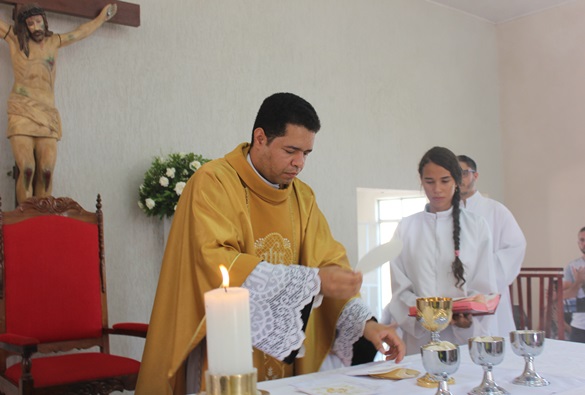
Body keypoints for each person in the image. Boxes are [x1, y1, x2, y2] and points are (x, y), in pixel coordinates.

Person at [136, 92, 405, 394]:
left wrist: (368, 325)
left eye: (307, 153)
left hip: (285, 365)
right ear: (260, 138)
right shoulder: (212, 183)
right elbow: (211, 260)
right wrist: (312, 280)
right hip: (223, 355)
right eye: (291, 150)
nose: (300, 163)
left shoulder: (302, 197)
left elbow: (328, 264)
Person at [0, 3, 117, 204]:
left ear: (44, 22)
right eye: (30, 23)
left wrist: (100, 19)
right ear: (24, 26)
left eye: (38, 22)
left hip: (47, 114)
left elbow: (79, 32)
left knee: (46, 171)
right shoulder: (15, 40)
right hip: (21, 109)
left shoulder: (54, 42)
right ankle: (26, 218)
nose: (35, 27)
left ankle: (43, 218)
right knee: (27, 169)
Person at [388, 146, 498, 355]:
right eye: (429, 181)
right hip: (419, 340)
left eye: (444, 181)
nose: (437, 189)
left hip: (464, 340)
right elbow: (400, 290)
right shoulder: (406, 228)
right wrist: (429, 315)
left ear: (457, 182)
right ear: (421, 181)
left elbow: (484, 286)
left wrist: (465, 321)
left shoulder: (477, 226)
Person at [457, 155, 526, 336]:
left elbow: (515, 247)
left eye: (463, 173)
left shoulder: (496, 210)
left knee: (493, 342)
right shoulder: (448, 213)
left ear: (476, 176)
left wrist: (482, 273)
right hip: (457, 295)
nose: (459, 179)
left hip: (490, 293)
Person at [563, 226, 585, 343]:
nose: (584, 243)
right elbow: (566, 300)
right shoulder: (572, 266)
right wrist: (578, 282)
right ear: (578, 243)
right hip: (579, 328)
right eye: (582, 240)